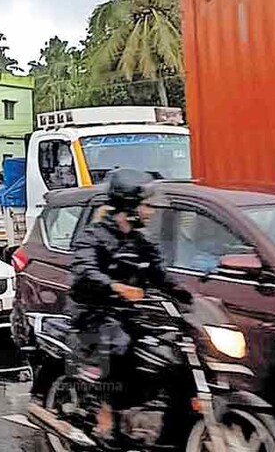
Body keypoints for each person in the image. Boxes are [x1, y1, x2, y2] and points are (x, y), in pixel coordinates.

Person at [68, 168, 192, 441]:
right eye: (146, 205)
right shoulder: (94, 236)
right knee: (119, 344)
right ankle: (105, 410)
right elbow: (84, 270)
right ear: (129, 206)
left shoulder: (141, 240)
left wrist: (191, 296)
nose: (152, 211)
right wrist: (116, 286)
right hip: (92, 312)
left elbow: (161, 276)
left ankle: (156, 411)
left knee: (169, 350)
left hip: (126, 313)